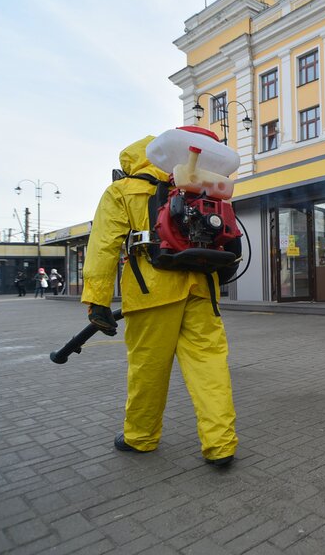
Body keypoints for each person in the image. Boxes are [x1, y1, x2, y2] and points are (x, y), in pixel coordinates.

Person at [81, 135, 238, 467]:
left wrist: (97, 301)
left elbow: (103, 247)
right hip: (201, 287)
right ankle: (221, 444)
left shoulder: (123, 190)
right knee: (210, 368)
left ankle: (141, 437)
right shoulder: (196, 184)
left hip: (152, 292)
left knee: (148, 371)